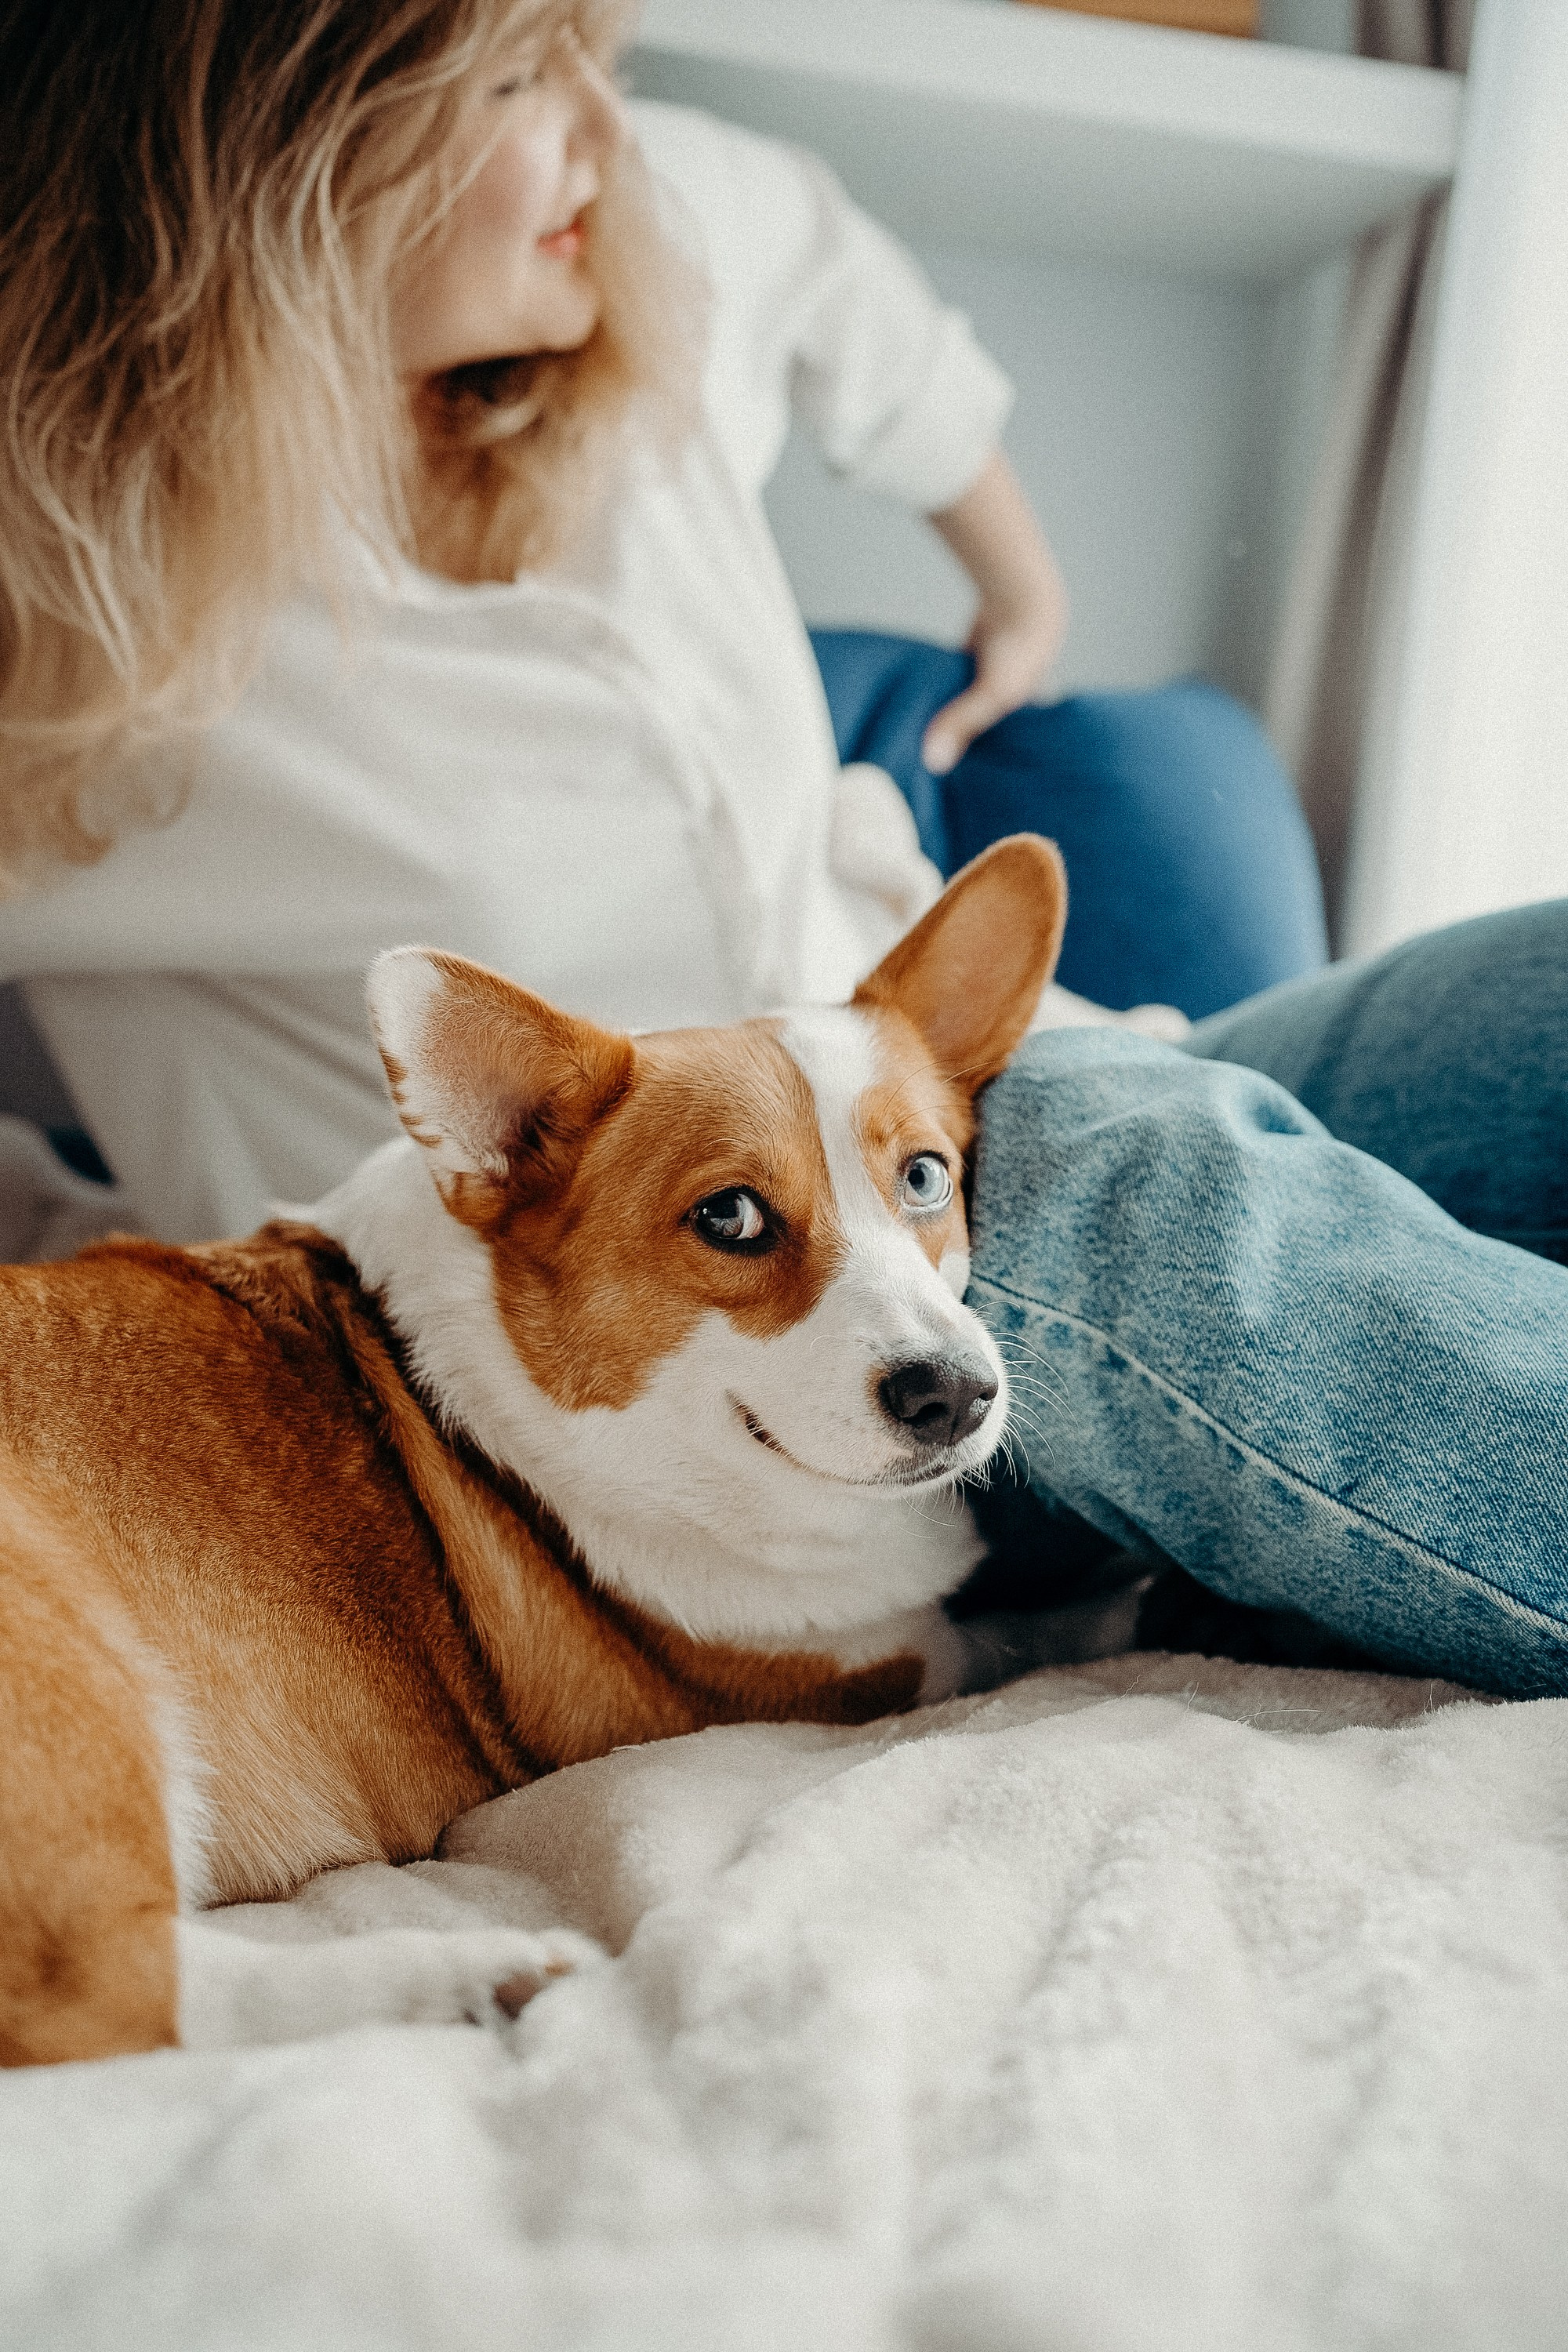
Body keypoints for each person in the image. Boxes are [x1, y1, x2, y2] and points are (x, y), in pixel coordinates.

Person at [2, 0, 1560, 1700]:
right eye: (524, 79)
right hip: (725, 1417)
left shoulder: (625, 278)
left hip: (1003, 1125)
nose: (611, 132)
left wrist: (1020, 590)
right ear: (269, 158)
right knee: (1129, 1166)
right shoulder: (79, 675)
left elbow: (828, 261)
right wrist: (86, 1230)